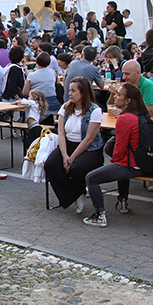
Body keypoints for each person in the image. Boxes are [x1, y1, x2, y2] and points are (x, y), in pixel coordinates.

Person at [82, 82, 146, 227]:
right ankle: (123, 202)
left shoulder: (125, 118)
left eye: (118, 94)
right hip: (143, 162)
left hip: (132, 164)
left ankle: (99, 215)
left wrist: (115, 160)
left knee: (92, 178)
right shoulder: (141, 114)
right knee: (119, 167)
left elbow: (119, 149)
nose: (116, 96)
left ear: (128, 100)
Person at [44, 76, 104, 212]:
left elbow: (89, 139)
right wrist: (65, 155)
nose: (69, 93)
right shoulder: (65, 107)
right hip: (67, 145)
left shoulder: (94, 111)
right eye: (69, 90)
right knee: (50, 165)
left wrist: (72, 157)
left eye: (73, 91)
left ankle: (79, 190)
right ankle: (75, 194)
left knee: (76, 168)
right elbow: (61, 133)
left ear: (83, 93)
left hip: (89, 149)